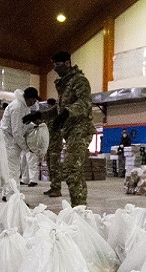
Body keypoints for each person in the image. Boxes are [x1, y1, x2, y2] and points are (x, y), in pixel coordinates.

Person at [25, 51, 94, 206]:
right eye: (54, 65)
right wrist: (37, 115)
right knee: (72, 169)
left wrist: (67, 112)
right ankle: (79, 206)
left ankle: (80, 207)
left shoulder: (80, 81)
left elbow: (85, 103)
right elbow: (57, 109)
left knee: (71, 168)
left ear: (67, 63)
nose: (55, 68)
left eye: (58, 65)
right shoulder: (65, 84)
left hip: (81, 128)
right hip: (70, 131)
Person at [0, 86, 41, 200]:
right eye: (34, 100)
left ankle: (7, 194)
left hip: (13, 141)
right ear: (30, 98)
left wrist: (35, 126)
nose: (34, 103)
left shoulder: (25, 107)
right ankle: (13, 198)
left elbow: (25, 124)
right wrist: (26, 147)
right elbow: (17, 131)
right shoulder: (17, 107)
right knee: (13, 170)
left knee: (12, 169)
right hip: (10, 141)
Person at [40, 98, 62, 197]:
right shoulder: (48, 119)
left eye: (49, 105)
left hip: (55, 145)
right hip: (49, 146)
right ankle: (53, 186)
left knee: (55, 167)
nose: (48, 107)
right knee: (50, 167)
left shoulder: (57, 116)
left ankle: (57, 188)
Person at [20, 116, 49, 187]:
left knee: (32, 164)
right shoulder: (30, 126)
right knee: (24, 164)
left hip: (33, 148)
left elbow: (41, 140)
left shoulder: (41, 128)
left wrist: (39, 150)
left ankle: (33, 180)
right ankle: (25, 179)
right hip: (25, 147)